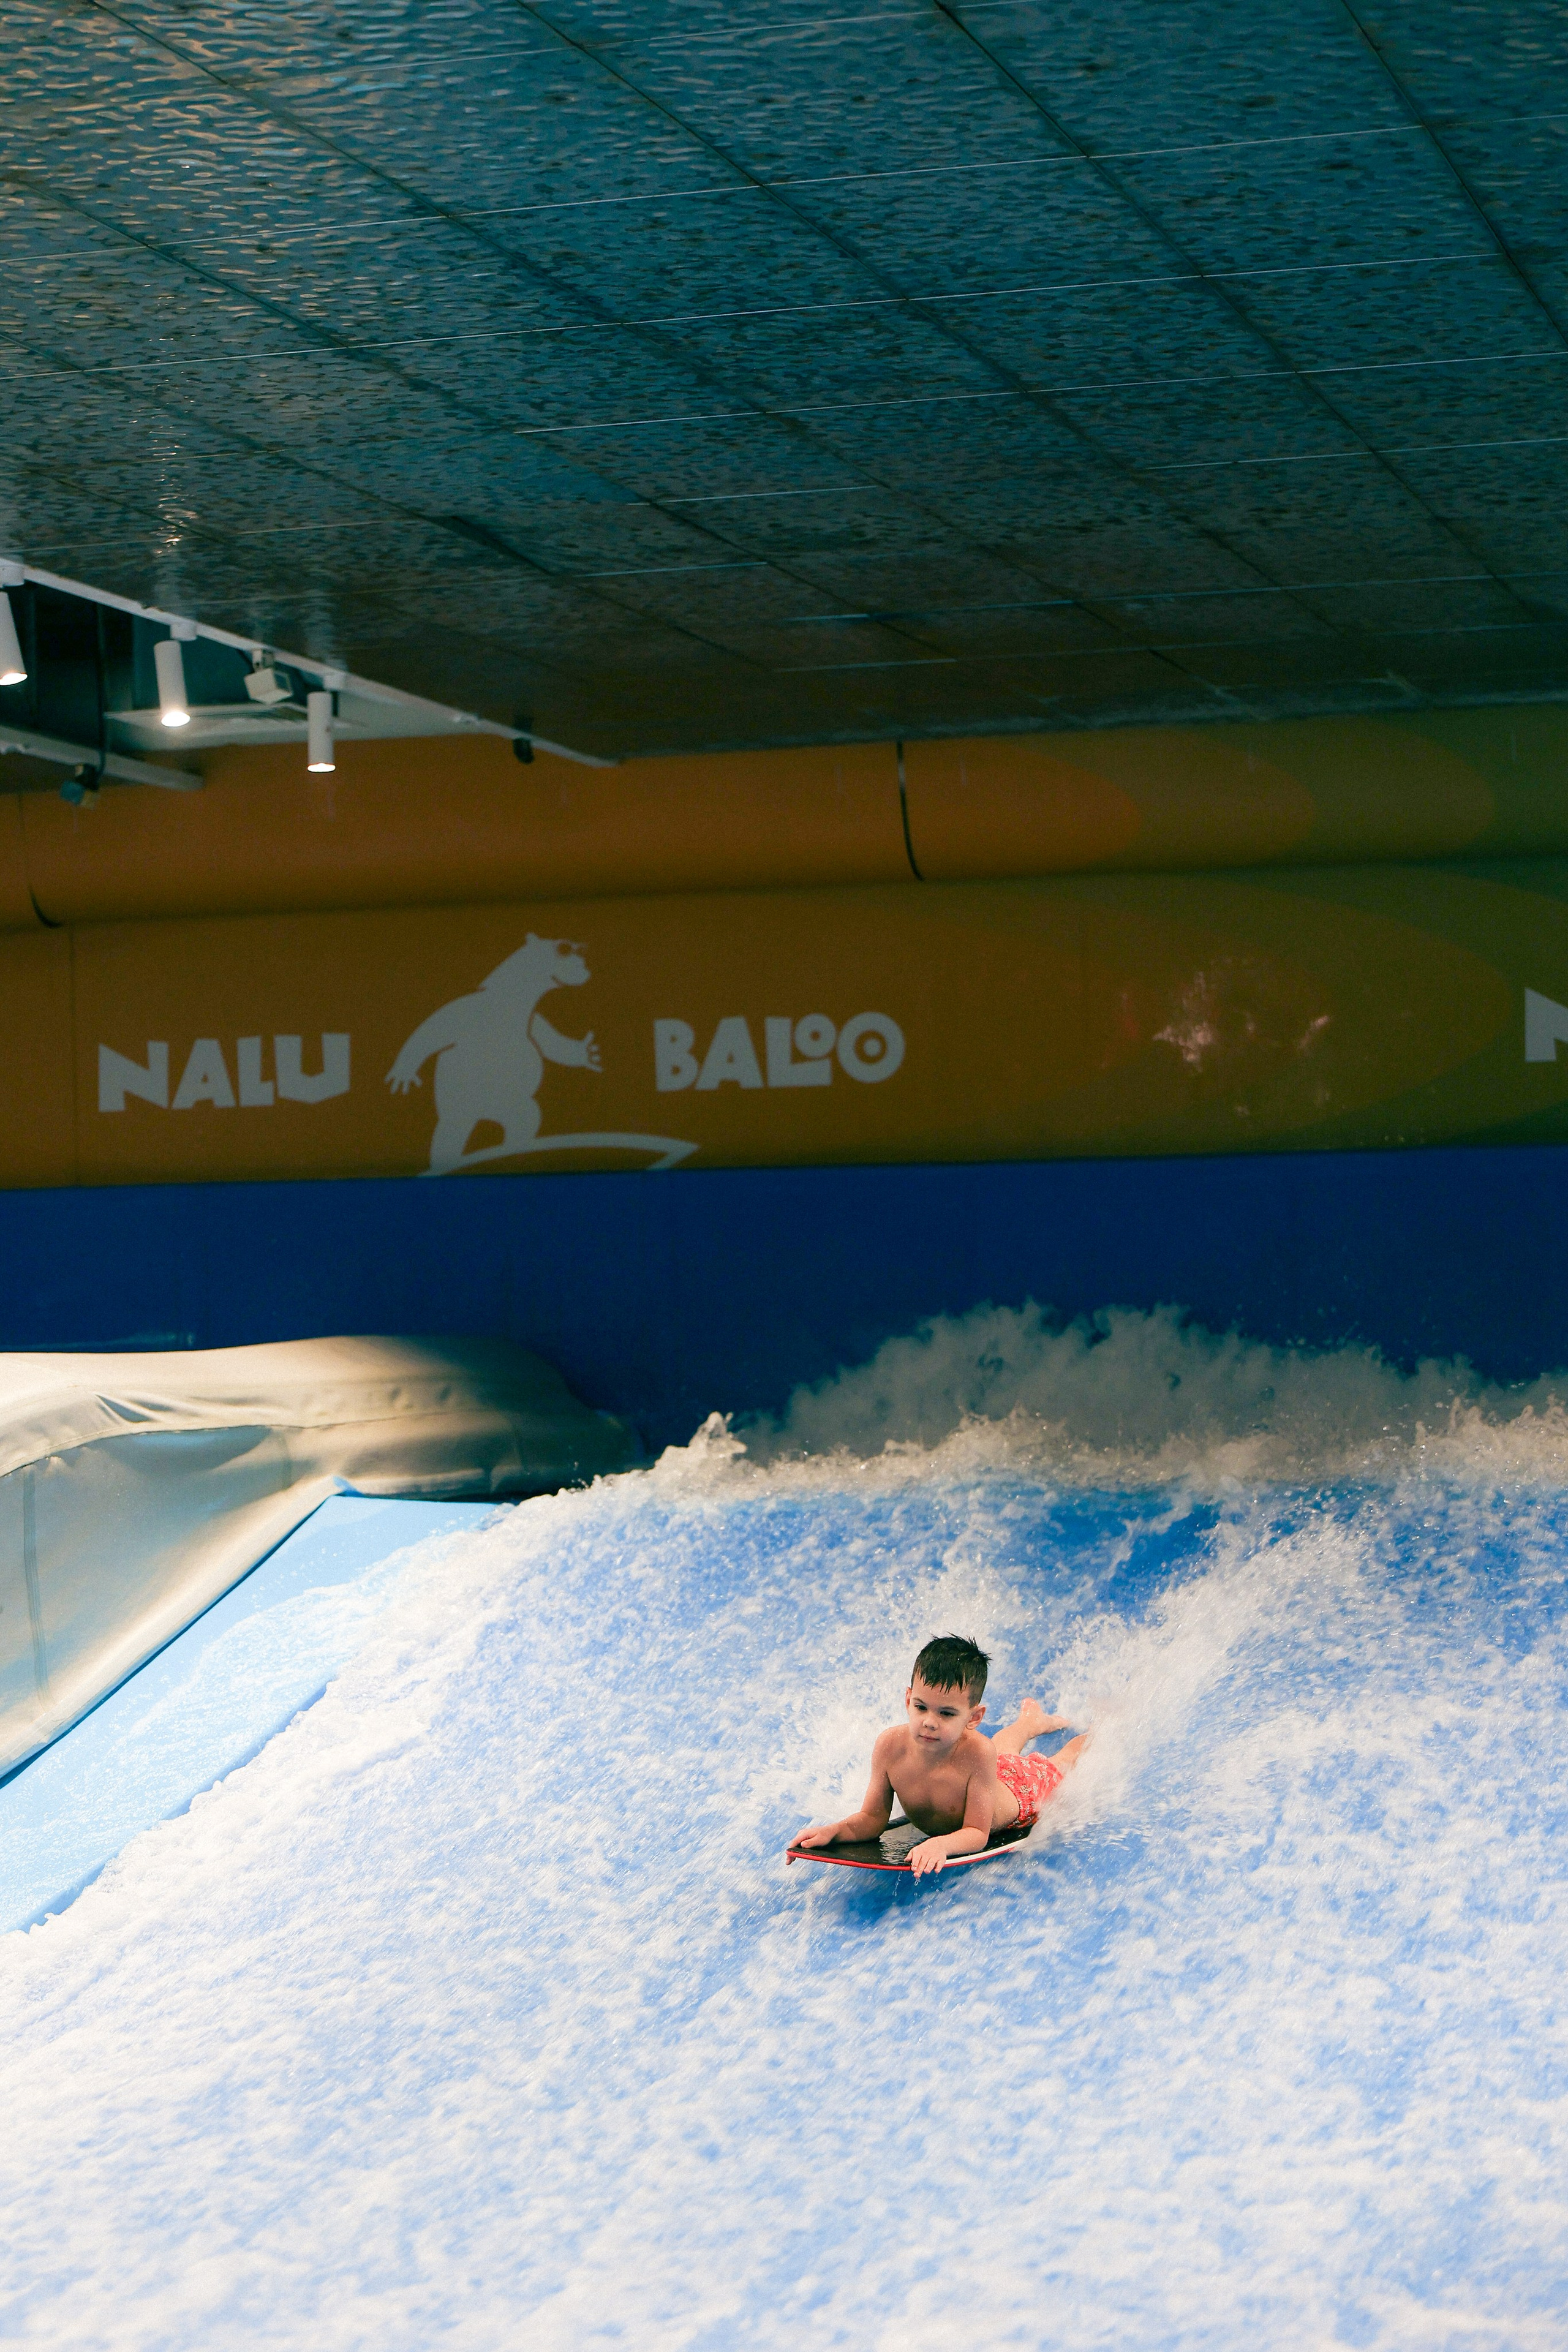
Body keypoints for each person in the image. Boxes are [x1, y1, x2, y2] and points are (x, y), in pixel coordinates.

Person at [791, 1634, 1089, 1877]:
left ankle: (1098, 1731)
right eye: (921, 1707)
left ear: (974, 1718)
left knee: (1055, 1764)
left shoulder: (978, 1753)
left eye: (947, 1713)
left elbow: (976, 1833)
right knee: (1004, 1752)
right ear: (908, 1699)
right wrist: (836, 1831)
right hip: (988, 1778)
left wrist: (941, 1846)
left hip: (1020, 1792)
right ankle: (1030, 1722)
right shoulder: (889, 1747)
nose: (930, 1722)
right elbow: (871, 1818)